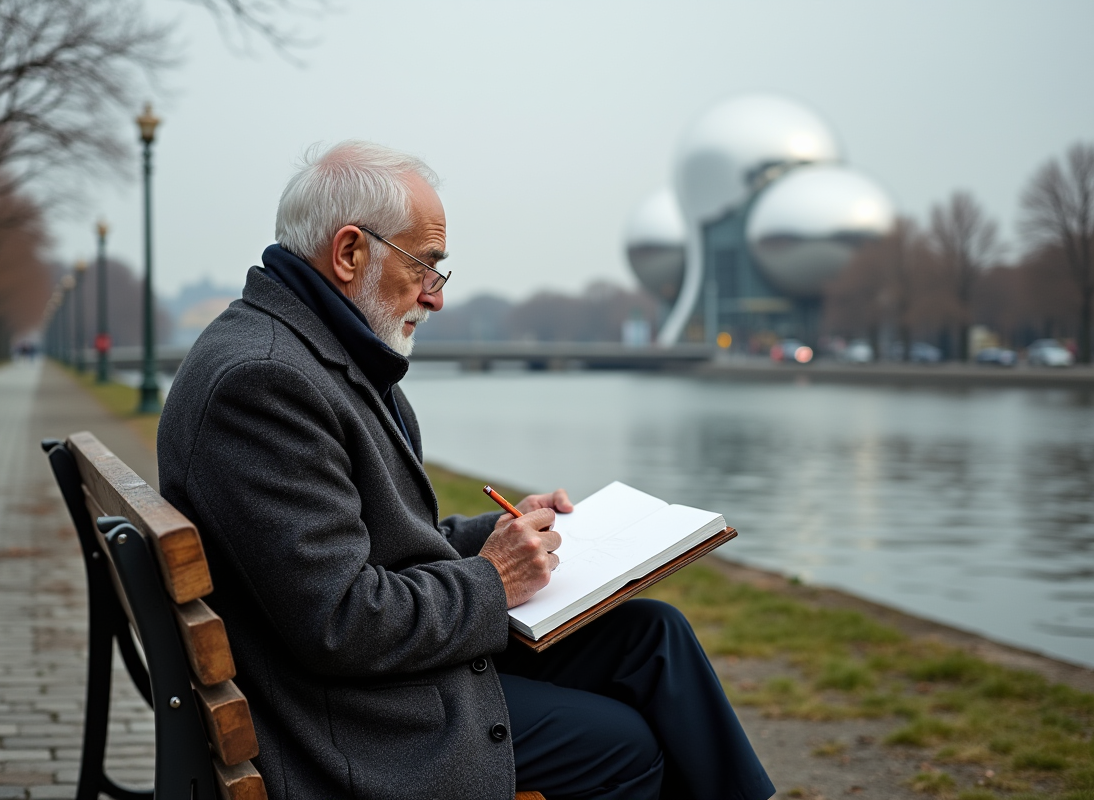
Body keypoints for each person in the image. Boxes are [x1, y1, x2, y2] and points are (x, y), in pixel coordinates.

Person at [157, 141, 774, 800]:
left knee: (654, 638)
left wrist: (498, 535)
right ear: (350, 253)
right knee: (623, 746)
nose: (436, 297)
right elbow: (339, 621)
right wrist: (495, 578)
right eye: (425, 265)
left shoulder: (318, 351)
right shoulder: (265, 382)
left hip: (381, 682)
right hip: (352, 725)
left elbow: (373, 545)